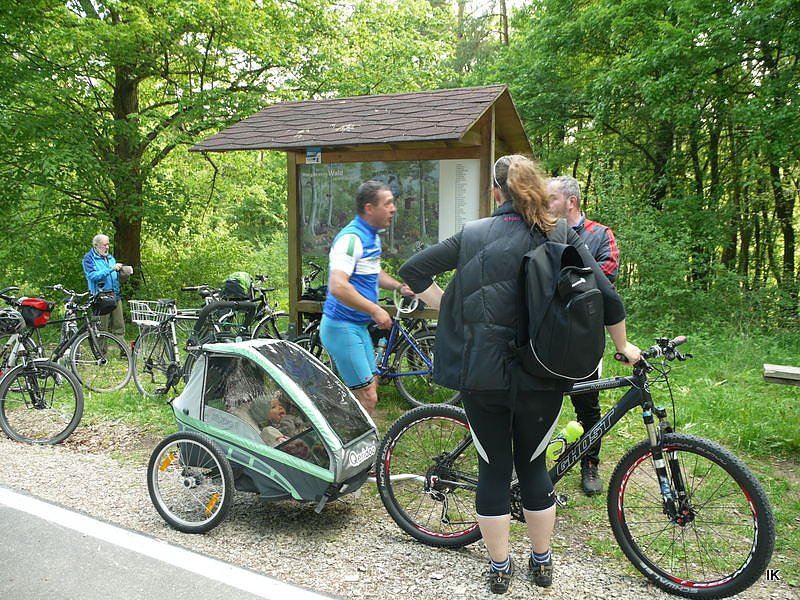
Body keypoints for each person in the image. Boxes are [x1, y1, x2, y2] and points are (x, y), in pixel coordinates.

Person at [398, 155, 640, 595]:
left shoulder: (472, 235)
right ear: (535, 187)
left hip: (482, 375)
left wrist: (448, 306)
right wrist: (623, 346)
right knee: (533, 467)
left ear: (496, 192)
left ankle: (498, 568)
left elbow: (413, 271)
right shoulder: (561, 232)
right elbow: (608, 298)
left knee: (493, 468)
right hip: (541, 376)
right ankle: (542, 563)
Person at [547, 175, 620, 495]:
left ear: (570, 202)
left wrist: (563, 279)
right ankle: (538, 462)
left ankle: (589, 464)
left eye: (551, 199)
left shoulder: (600, 234)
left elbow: (606, 275)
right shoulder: (542, 231)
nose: (545, 204)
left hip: (585, 337)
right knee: (542, 401)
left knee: (587, 405)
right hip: (547, 335)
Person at [319, 180, 412, 418]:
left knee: (371, 385)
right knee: (367, 394)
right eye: (388, 203)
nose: (394, 209)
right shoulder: (351, 239)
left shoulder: (371, 237)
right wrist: (375, 310)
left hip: (358, 327)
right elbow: (338, 286)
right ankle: (350, 445)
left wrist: (398, 286)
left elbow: (373, 272)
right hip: (341, 326)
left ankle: (352, 440)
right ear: (370, 208)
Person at [82, 233, 129, 341]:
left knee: (119, 326)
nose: (107, 247)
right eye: (104, 245)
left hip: (115, 295)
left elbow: (114, 276)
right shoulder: (88, 258)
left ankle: (124, 353)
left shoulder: (110, 257)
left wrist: (123, 273)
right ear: (96, 245)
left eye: (108, 245)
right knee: (100, 328)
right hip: (100, 298)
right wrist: (111, 269)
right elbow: (92, 276)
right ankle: (101, 355)